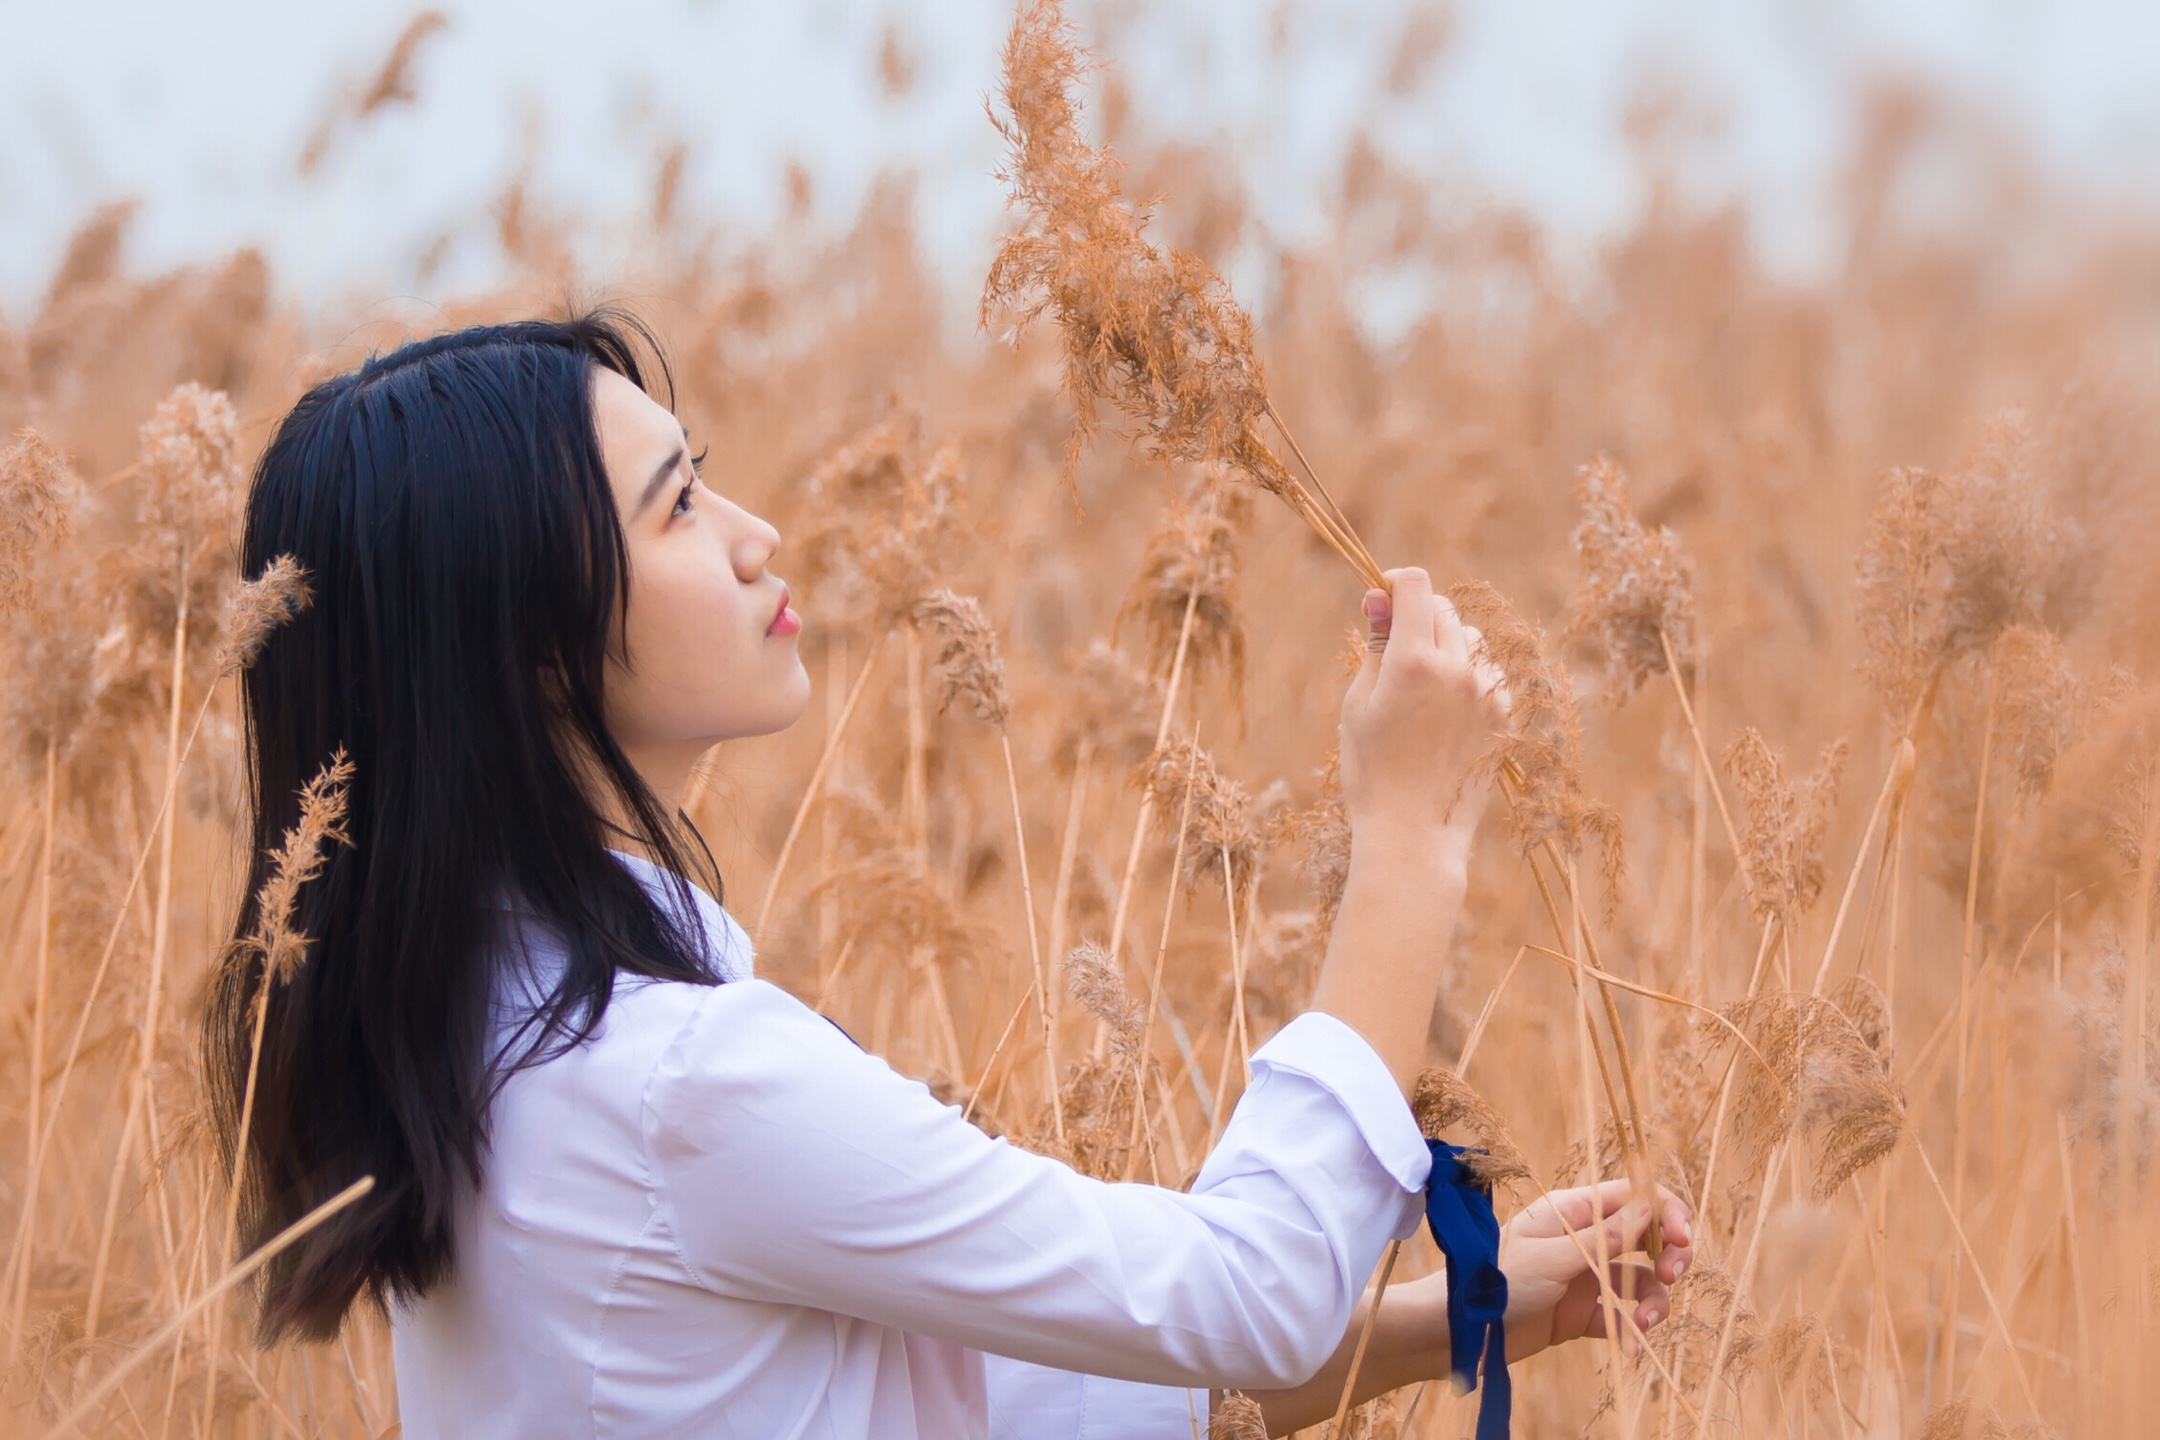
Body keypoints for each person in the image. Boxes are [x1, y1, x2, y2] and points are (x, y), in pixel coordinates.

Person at [206, 313, 1690, 1439]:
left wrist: (1451, 1325)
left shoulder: (486, 1047)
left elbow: (999, 1401)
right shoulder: (676, 1090)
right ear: (523, 647)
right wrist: (1413, 844)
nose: (751, 537)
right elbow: (1252, 1285)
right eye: (673, 507)